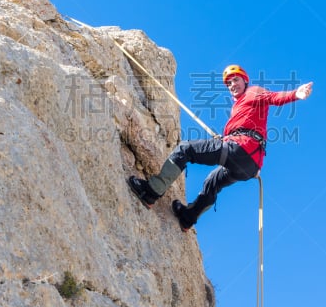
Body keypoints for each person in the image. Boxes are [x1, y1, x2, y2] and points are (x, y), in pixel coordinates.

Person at [128, 64, 313, 231]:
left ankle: (151, 192)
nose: (232, 85)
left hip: (241, 148)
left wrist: (296, 93)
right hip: (249, 165)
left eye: (236, 80)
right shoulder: (239, 107)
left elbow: (274, 97)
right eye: (229, 84)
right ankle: (188, 217)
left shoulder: (254, 92)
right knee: (213, 181)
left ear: (245, 80)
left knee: (186, 150)